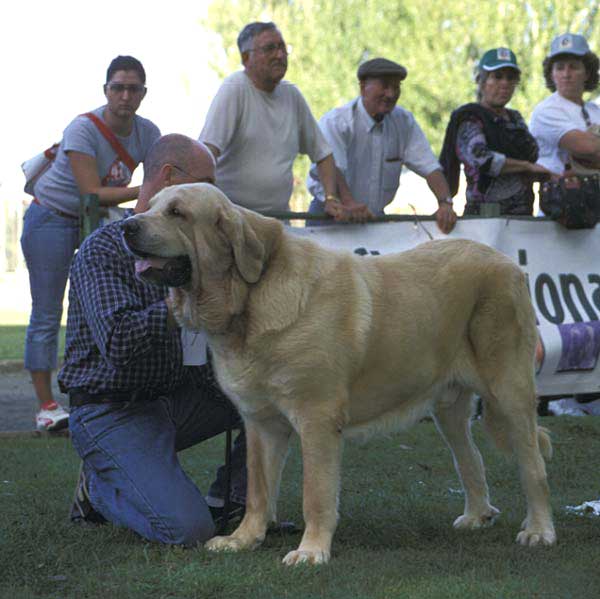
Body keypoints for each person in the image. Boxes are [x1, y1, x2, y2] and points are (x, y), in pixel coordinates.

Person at [59, 135, 247, 545]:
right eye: (207, 182)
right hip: (111, 411)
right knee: (188, 531)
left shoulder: (192, 248)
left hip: (175, 399)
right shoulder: (102, 250)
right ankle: (98, 492)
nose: (216, 193)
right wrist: (180, 300)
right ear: (168, 179)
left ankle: (234, 500)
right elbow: (121, 346)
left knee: (272, 395)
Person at [20, 55, 160, 431]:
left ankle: (100, 392)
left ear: (144, 94)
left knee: (100, 306)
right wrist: (146, 189)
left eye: (133, 89)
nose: (125, 96)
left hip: (97, 223)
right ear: (105, 91)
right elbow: (91, 193)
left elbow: (162, 172)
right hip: (52, 216)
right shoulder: (83, 128)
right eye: (118, 88)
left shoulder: (149, 133)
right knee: (47, 313)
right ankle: (47, 406)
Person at [199, 21, 367, 222]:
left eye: (282, 48)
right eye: (270, 48)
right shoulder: (234, 89)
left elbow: (324, 154)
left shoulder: (291, 94)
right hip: (233, 221)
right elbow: (206, 153)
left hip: (277, 221)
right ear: (246, 58)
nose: (280, 55)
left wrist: (331, 198)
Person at [307, 57, 457, 233]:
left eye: (396, 87)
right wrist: (349, 203)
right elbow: (333, 168)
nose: (391, 94)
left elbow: (430, 166)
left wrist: (445, 203)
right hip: (329, 218)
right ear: (363, 87)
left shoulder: (404, 121)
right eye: (384, 86)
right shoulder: (337, 122)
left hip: (373, 220)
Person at [439, 48, 552, 216]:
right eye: (497, 76)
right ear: (482, 81)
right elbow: (483, 160)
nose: (505, 83)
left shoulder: (515, 118)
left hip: (523, 215)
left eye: (510, 78)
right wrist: (526, 167)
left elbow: (533, 153)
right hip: (485, 218)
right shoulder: (470, 118)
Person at [530, 33, 600, 175]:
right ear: (552, 74)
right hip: (565, 194)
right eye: (559, 68)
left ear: (587, 73)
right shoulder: (546, 111)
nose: (566, 74)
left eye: (573, 67)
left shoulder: (595, 110)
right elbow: (588, 148)